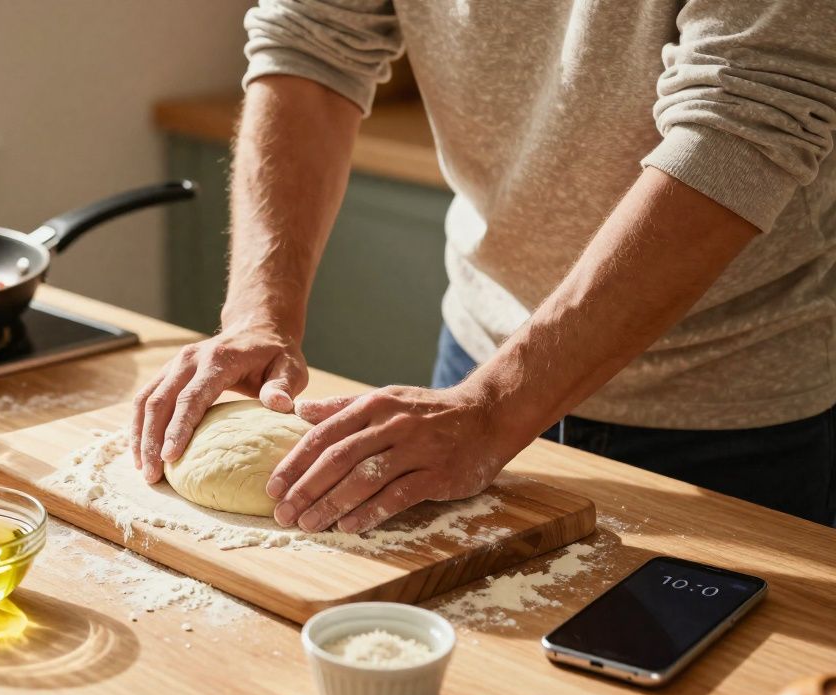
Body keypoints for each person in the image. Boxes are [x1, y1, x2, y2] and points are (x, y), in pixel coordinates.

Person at [131, 0, 836, 531]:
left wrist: (498, 406)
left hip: (733, 409)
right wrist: (259, 310)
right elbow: (311, 39)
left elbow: (746, 117)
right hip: (475, 360)